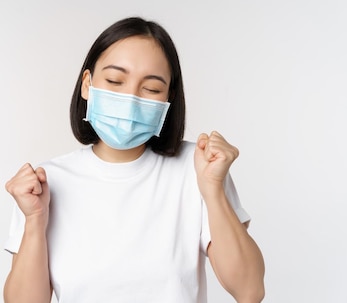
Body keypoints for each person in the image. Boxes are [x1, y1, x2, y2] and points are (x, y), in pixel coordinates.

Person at [3, 17, 265, 303]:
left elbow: (249, 291)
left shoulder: (199, 168)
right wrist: (35, 220)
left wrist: (213, 189)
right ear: (87, 85)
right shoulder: (45, 183)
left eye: (151, 89)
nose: (129, 98)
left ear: (168, 100)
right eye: (115, 81)